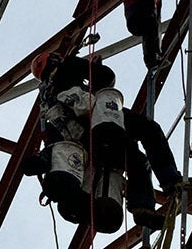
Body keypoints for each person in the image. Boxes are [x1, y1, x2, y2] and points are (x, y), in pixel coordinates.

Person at [23, 51, 182, 231]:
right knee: (147, 135)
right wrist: (91, 68)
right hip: (104, 122)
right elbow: (106, 77)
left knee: (132, 160)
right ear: (53, 59)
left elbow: (54, 141)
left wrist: (46, 161)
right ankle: (160, 189)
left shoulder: (48, 104)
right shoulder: (68, 67)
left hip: (86, 144)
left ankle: (128, 208)